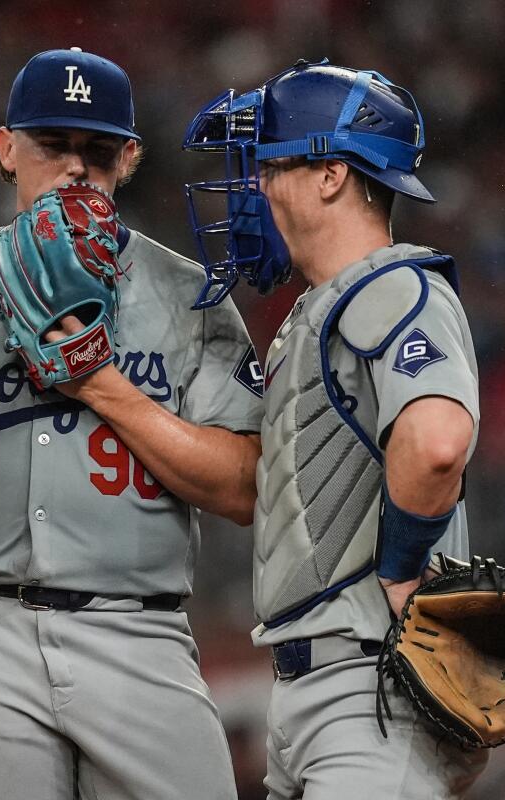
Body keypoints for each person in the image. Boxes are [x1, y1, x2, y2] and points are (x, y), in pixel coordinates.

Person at [0, 47, 263, 800]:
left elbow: (242, 489)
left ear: (129, 157)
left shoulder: (193, 299)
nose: (75, 167)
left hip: (139, 628)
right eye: (52, 145)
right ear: (5, 148)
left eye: (97, 151)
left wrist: (100, 387)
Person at [182, 59, 488, 798]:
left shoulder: (397, 285)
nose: (254, 184)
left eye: (270, 163)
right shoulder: (324, 306)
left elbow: (438, 439)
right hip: (317, 690)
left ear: (330, 176)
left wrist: (404, 569)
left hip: (371, 684)